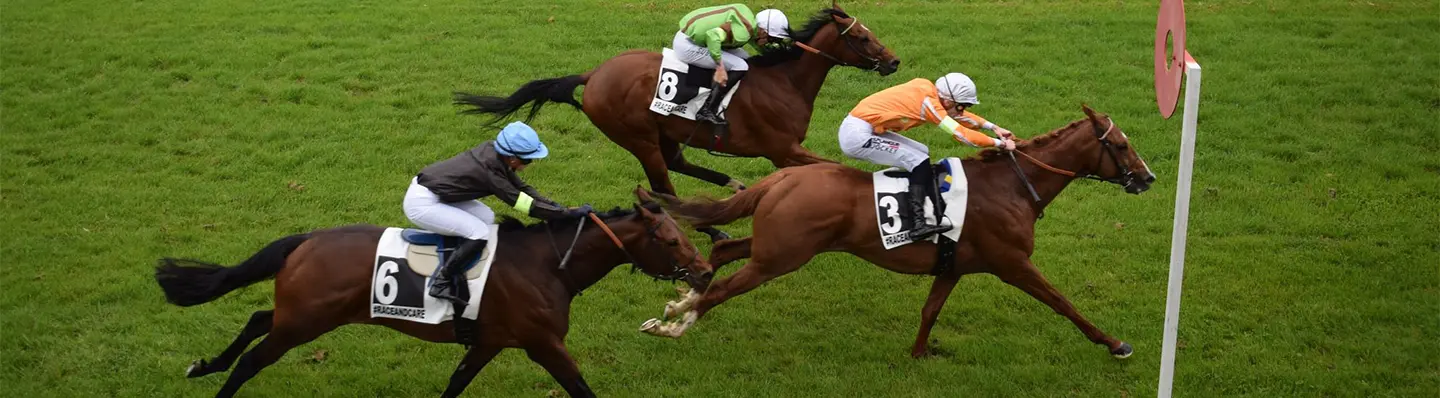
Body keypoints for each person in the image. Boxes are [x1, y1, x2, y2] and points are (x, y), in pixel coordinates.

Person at [403, 121, 591, 306]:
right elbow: (527, 206)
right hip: (422, 203)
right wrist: (566, 215)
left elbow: (523, 188)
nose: (530, 163)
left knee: (487, 217)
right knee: (479, 232)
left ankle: (463, 259)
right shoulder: (491, 173)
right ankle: (442, 281)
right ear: (512, 158)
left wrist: (558, 207)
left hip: (441, 194)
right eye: (527, 159)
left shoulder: (495, 154)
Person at [839, 72, 1018, 240]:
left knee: (922, 152)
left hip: (865, 128)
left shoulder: (931, 94)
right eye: (962, 105)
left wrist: (994, 128)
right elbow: (961, 134)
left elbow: (958, 116)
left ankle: (931, 207)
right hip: (857, 136)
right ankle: (917, 225)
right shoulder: (929, 104)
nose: (963, 110)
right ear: (947, 101)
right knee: (917, 160)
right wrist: (1000, 144)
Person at [672, 5, 790, 124]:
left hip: (695, 39)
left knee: (746, 59)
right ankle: (707, 109)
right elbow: (712, 37)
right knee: (740, 66)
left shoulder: (750, 24)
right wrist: (720, 67)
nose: (770, 43)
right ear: (763, 31)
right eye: (771, 39)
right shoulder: (742, 32)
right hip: (687, 46)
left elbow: (759, 48)